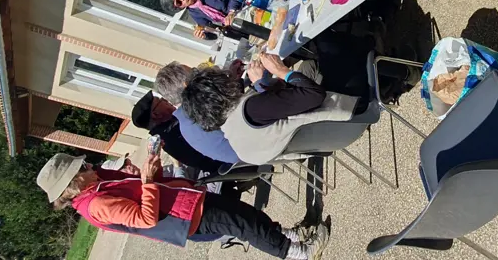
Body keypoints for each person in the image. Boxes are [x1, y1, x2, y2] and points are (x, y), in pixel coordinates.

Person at [36, 153, 329, 259]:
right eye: (82, 167)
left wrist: (144, 174)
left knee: (246, 214)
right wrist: (148, 182)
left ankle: (288, 235)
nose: (89, 165)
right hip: (188, 217)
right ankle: (298, 253)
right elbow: (145, 218)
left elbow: (136, 185)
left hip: (189, 201)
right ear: (74, 183)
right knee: (244, 226)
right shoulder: (96, 204)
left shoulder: (97, 185)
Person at [181, 55, 358, 165]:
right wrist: (280, 70)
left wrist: (239, 81)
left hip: (325, 143)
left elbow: (268, 114)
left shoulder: (234, 138)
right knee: (331, 49)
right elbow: (313, 95)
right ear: (220, 88)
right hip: (350, 118)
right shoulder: (252, 109)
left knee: (311, 66)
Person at [158, 0, 241, 40]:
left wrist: (232, 11)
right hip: (234, 23)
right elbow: (214, 34)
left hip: (241, 8)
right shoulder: (193, 12)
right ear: (180, 8)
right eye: (179, 2)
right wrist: (204, 35)